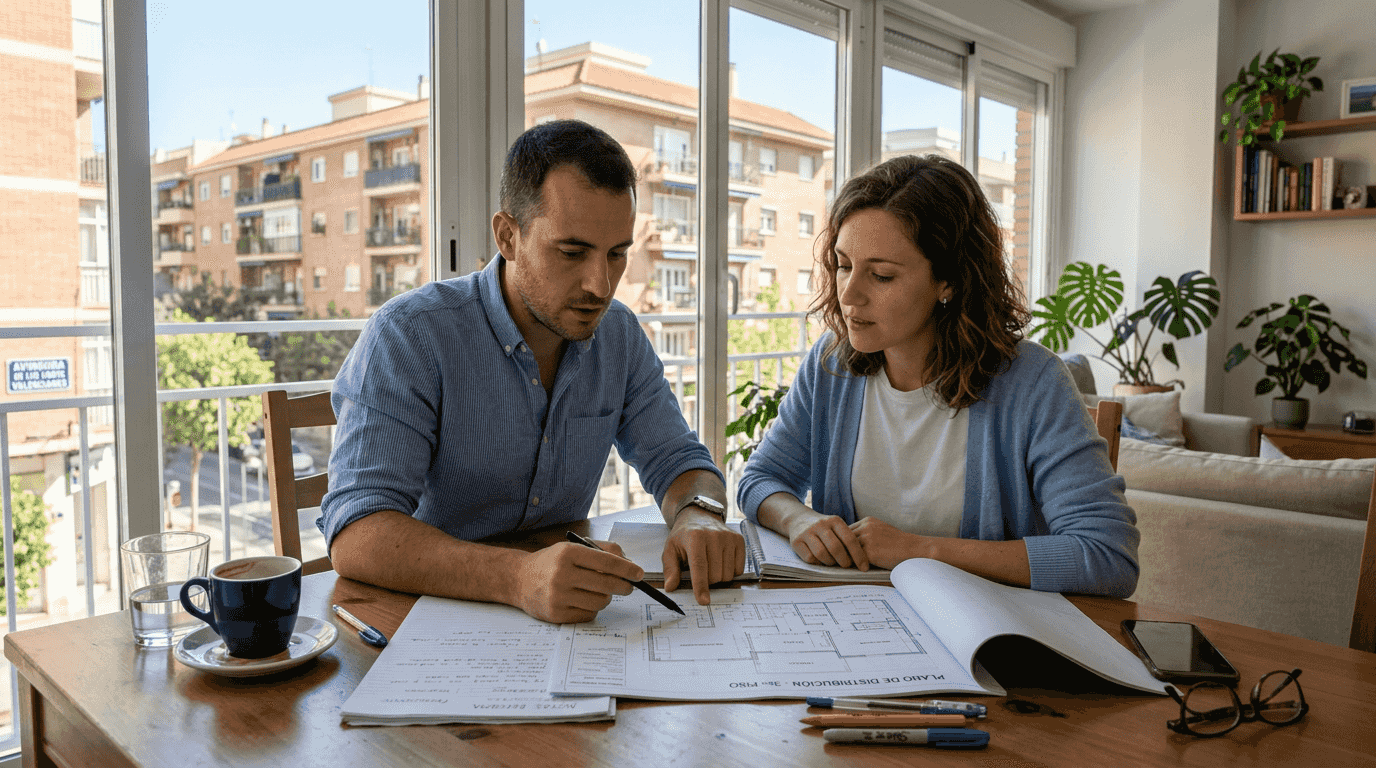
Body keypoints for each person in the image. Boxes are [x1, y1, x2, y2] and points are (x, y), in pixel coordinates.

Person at [321, 120, 745, 623]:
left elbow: (680, 461)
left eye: (617, 254)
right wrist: (519, 577)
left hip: (569, 617)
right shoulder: (410, 335)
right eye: (572, 252)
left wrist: (700, 514)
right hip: (424, 621)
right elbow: (358, 532)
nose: (601, 284)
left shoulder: (620, 336)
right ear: (508, 236)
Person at [736, 154, 1138, 598]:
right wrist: (799, 520)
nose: (848, 295)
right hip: (857, 626)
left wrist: (918, 549)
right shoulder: (830, 363)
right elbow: (761, 480)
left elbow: (1107, 557)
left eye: (882, 275)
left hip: (986, 636)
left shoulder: (1034, 383)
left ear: (948, 280)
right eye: (844, 264)